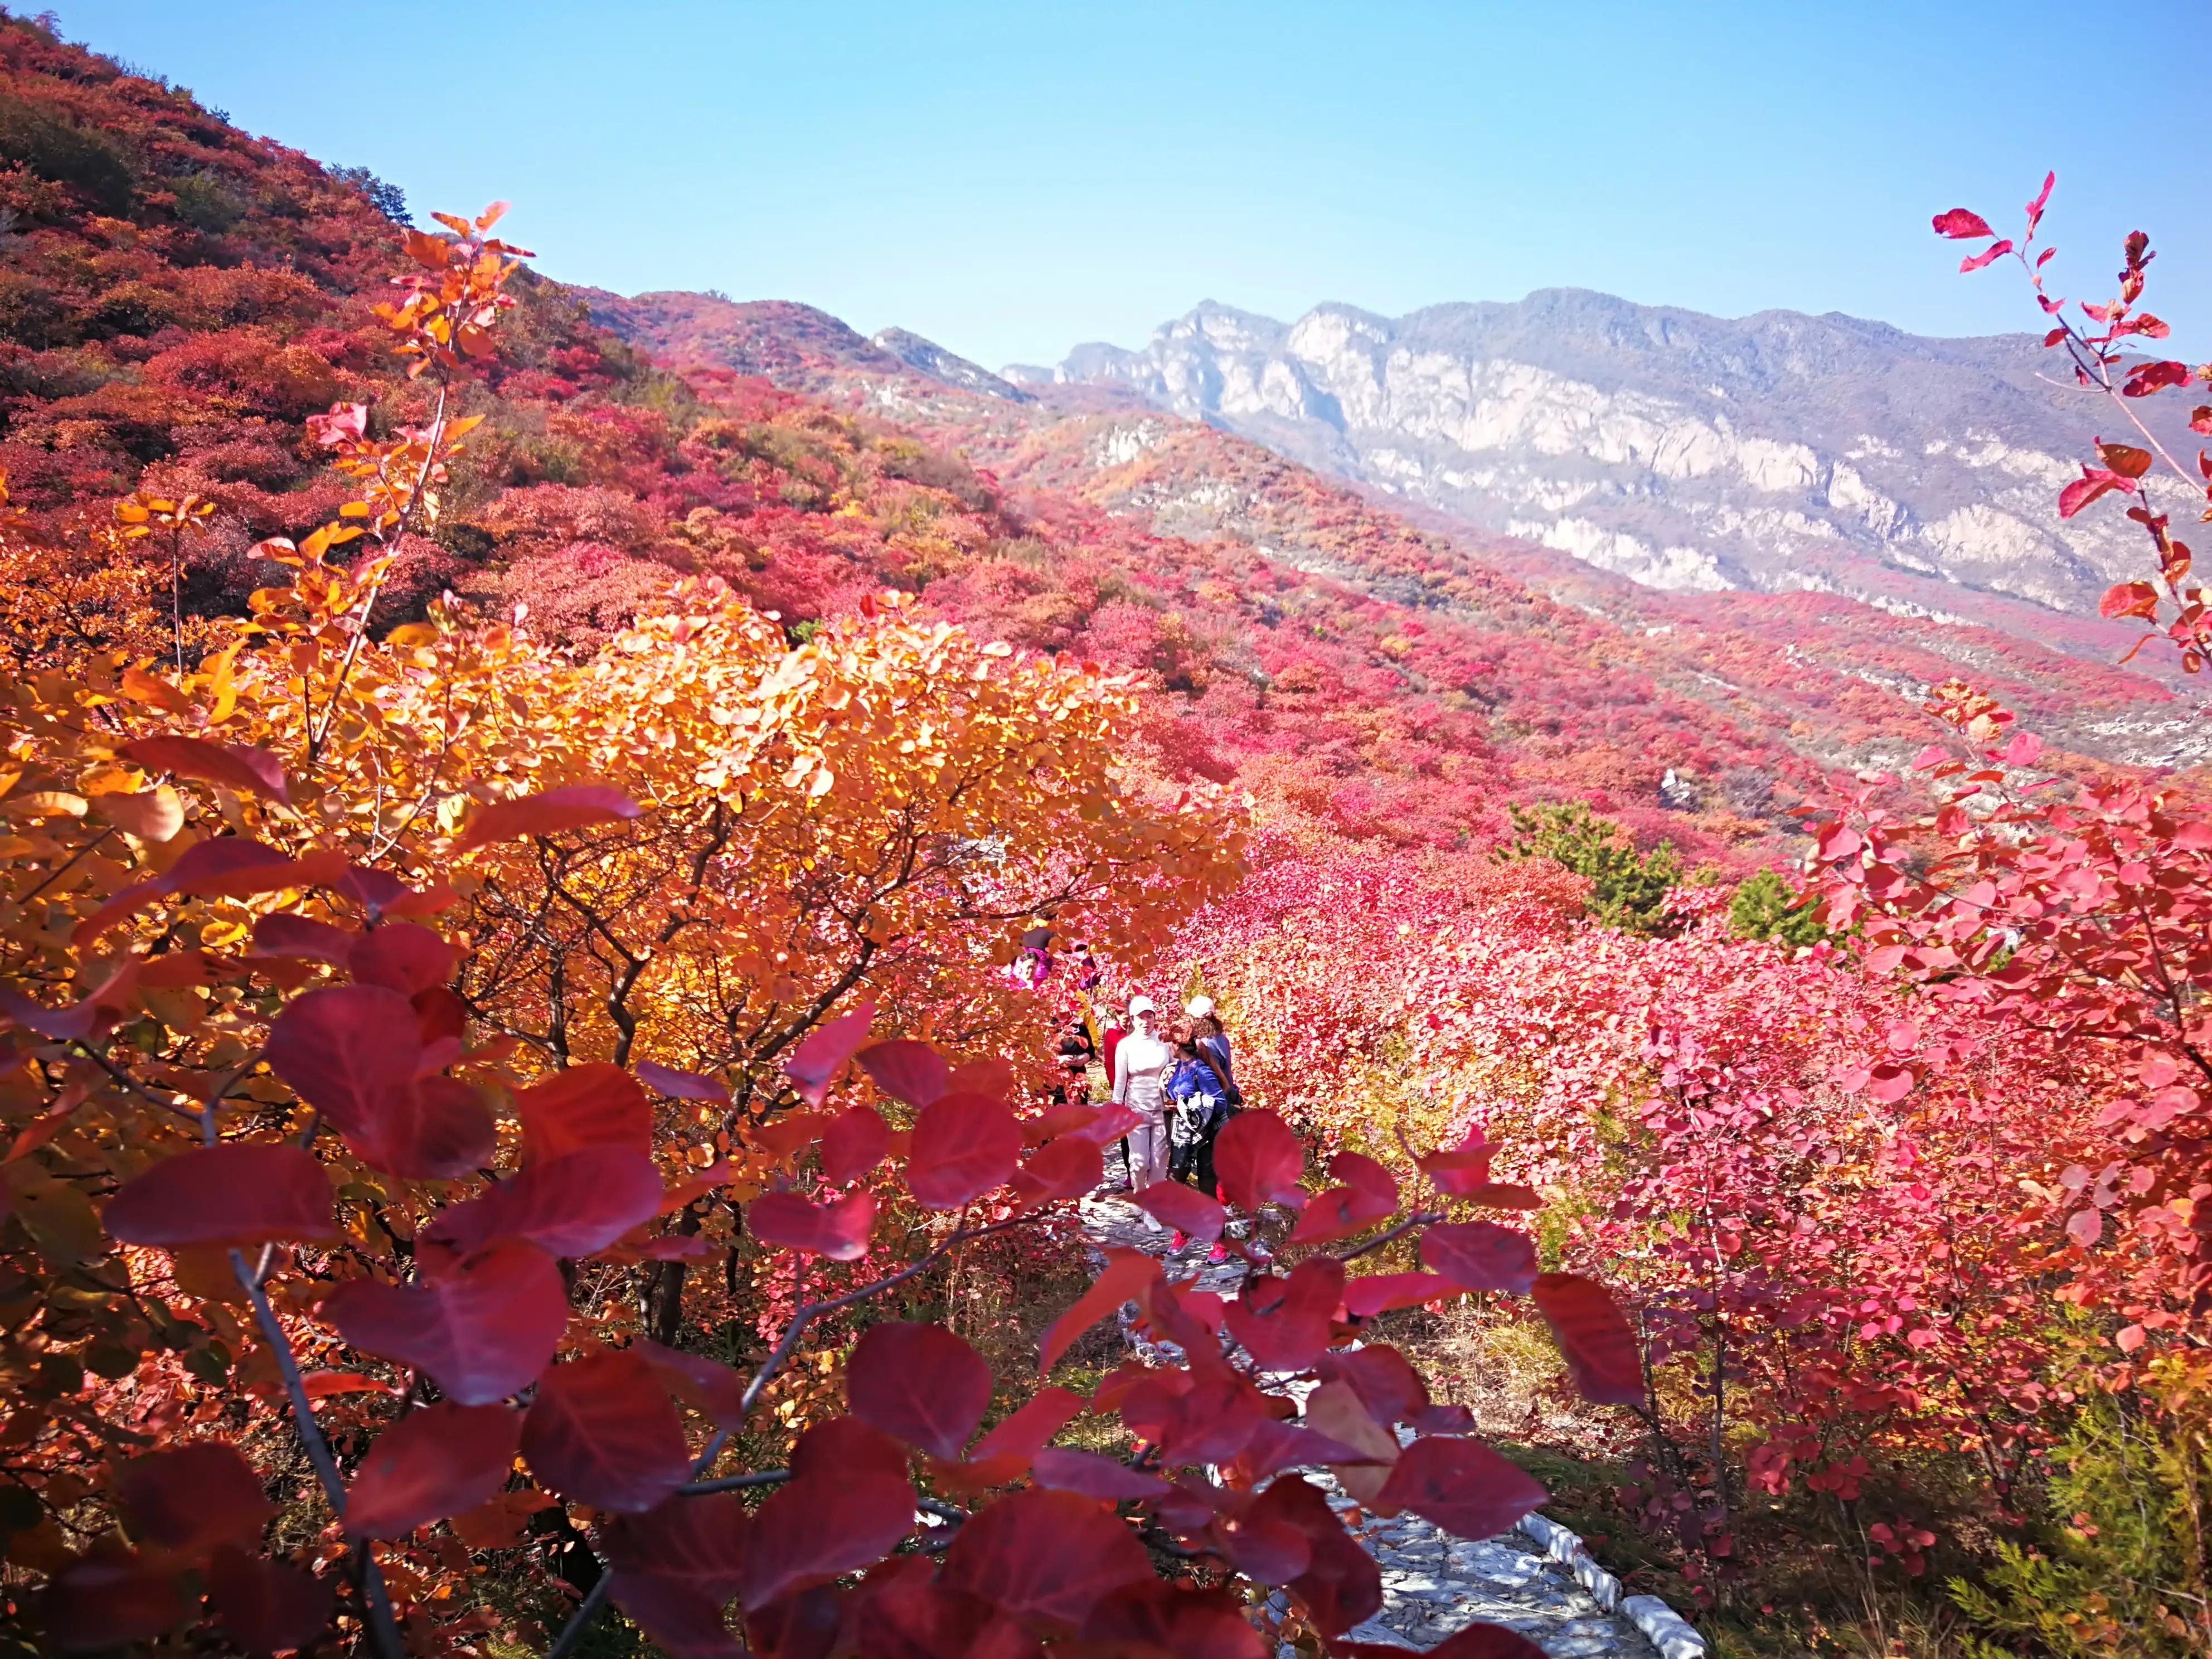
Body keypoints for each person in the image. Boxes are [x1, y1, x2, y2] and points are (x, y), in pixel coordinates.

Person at [1110, 995, 1172, 1200]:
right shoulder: (1125, 1045)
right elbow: (1120, 1082)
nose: (1145, 1022)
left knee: (1159, 1163)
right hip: (1136, 1110)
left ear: (1155, 1017)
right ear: (1132, 1019)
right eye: (1140, 1017)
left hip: (1163, 1110)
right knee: (1139, 1164)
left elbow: (1176, 1070)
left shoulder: (1164, 1043)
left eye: (1149, 1017)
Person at [1163, 1021, 1230, 1196]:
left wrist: (1189, 1106)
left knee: (1207, 1189)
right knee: (1174, 1179)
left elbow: (1220, 1103)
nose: (1168, 1047)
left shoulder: (1201, 1071)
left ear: (1177, 1045)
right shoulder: (1180, 1067)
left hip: (1206, 1137)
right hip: (1183, 1134)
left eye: (1170, 1042)